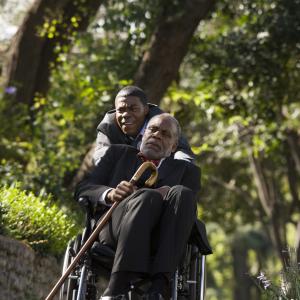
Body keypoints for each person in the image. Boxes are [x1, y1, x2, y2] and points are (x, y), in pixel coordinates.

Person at [75, 113, 201, 300]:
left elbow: (186, 211)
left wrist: (166, 196)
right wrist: (110, 193)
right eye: (153, 129)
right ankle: (118, 287)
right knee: (147, 196)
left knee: (182, 194)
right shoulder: (117, 154)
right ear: (143, 135)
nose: (157, 135)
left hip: (161, 240)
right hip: (114, 229)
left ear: (173, 147)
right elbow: (84, 189)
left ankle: (158, 289)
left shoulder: (187, 170)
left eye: (165, 134)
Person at [93, 85, 194, 165]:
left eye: (133, 109)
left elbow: (183, 151)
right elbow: (100, 159)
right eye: (121, 110)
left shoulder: (164, 122)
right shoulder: (108, 127)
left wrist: (179, 170)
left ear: (146, 110)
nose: (126, 115)